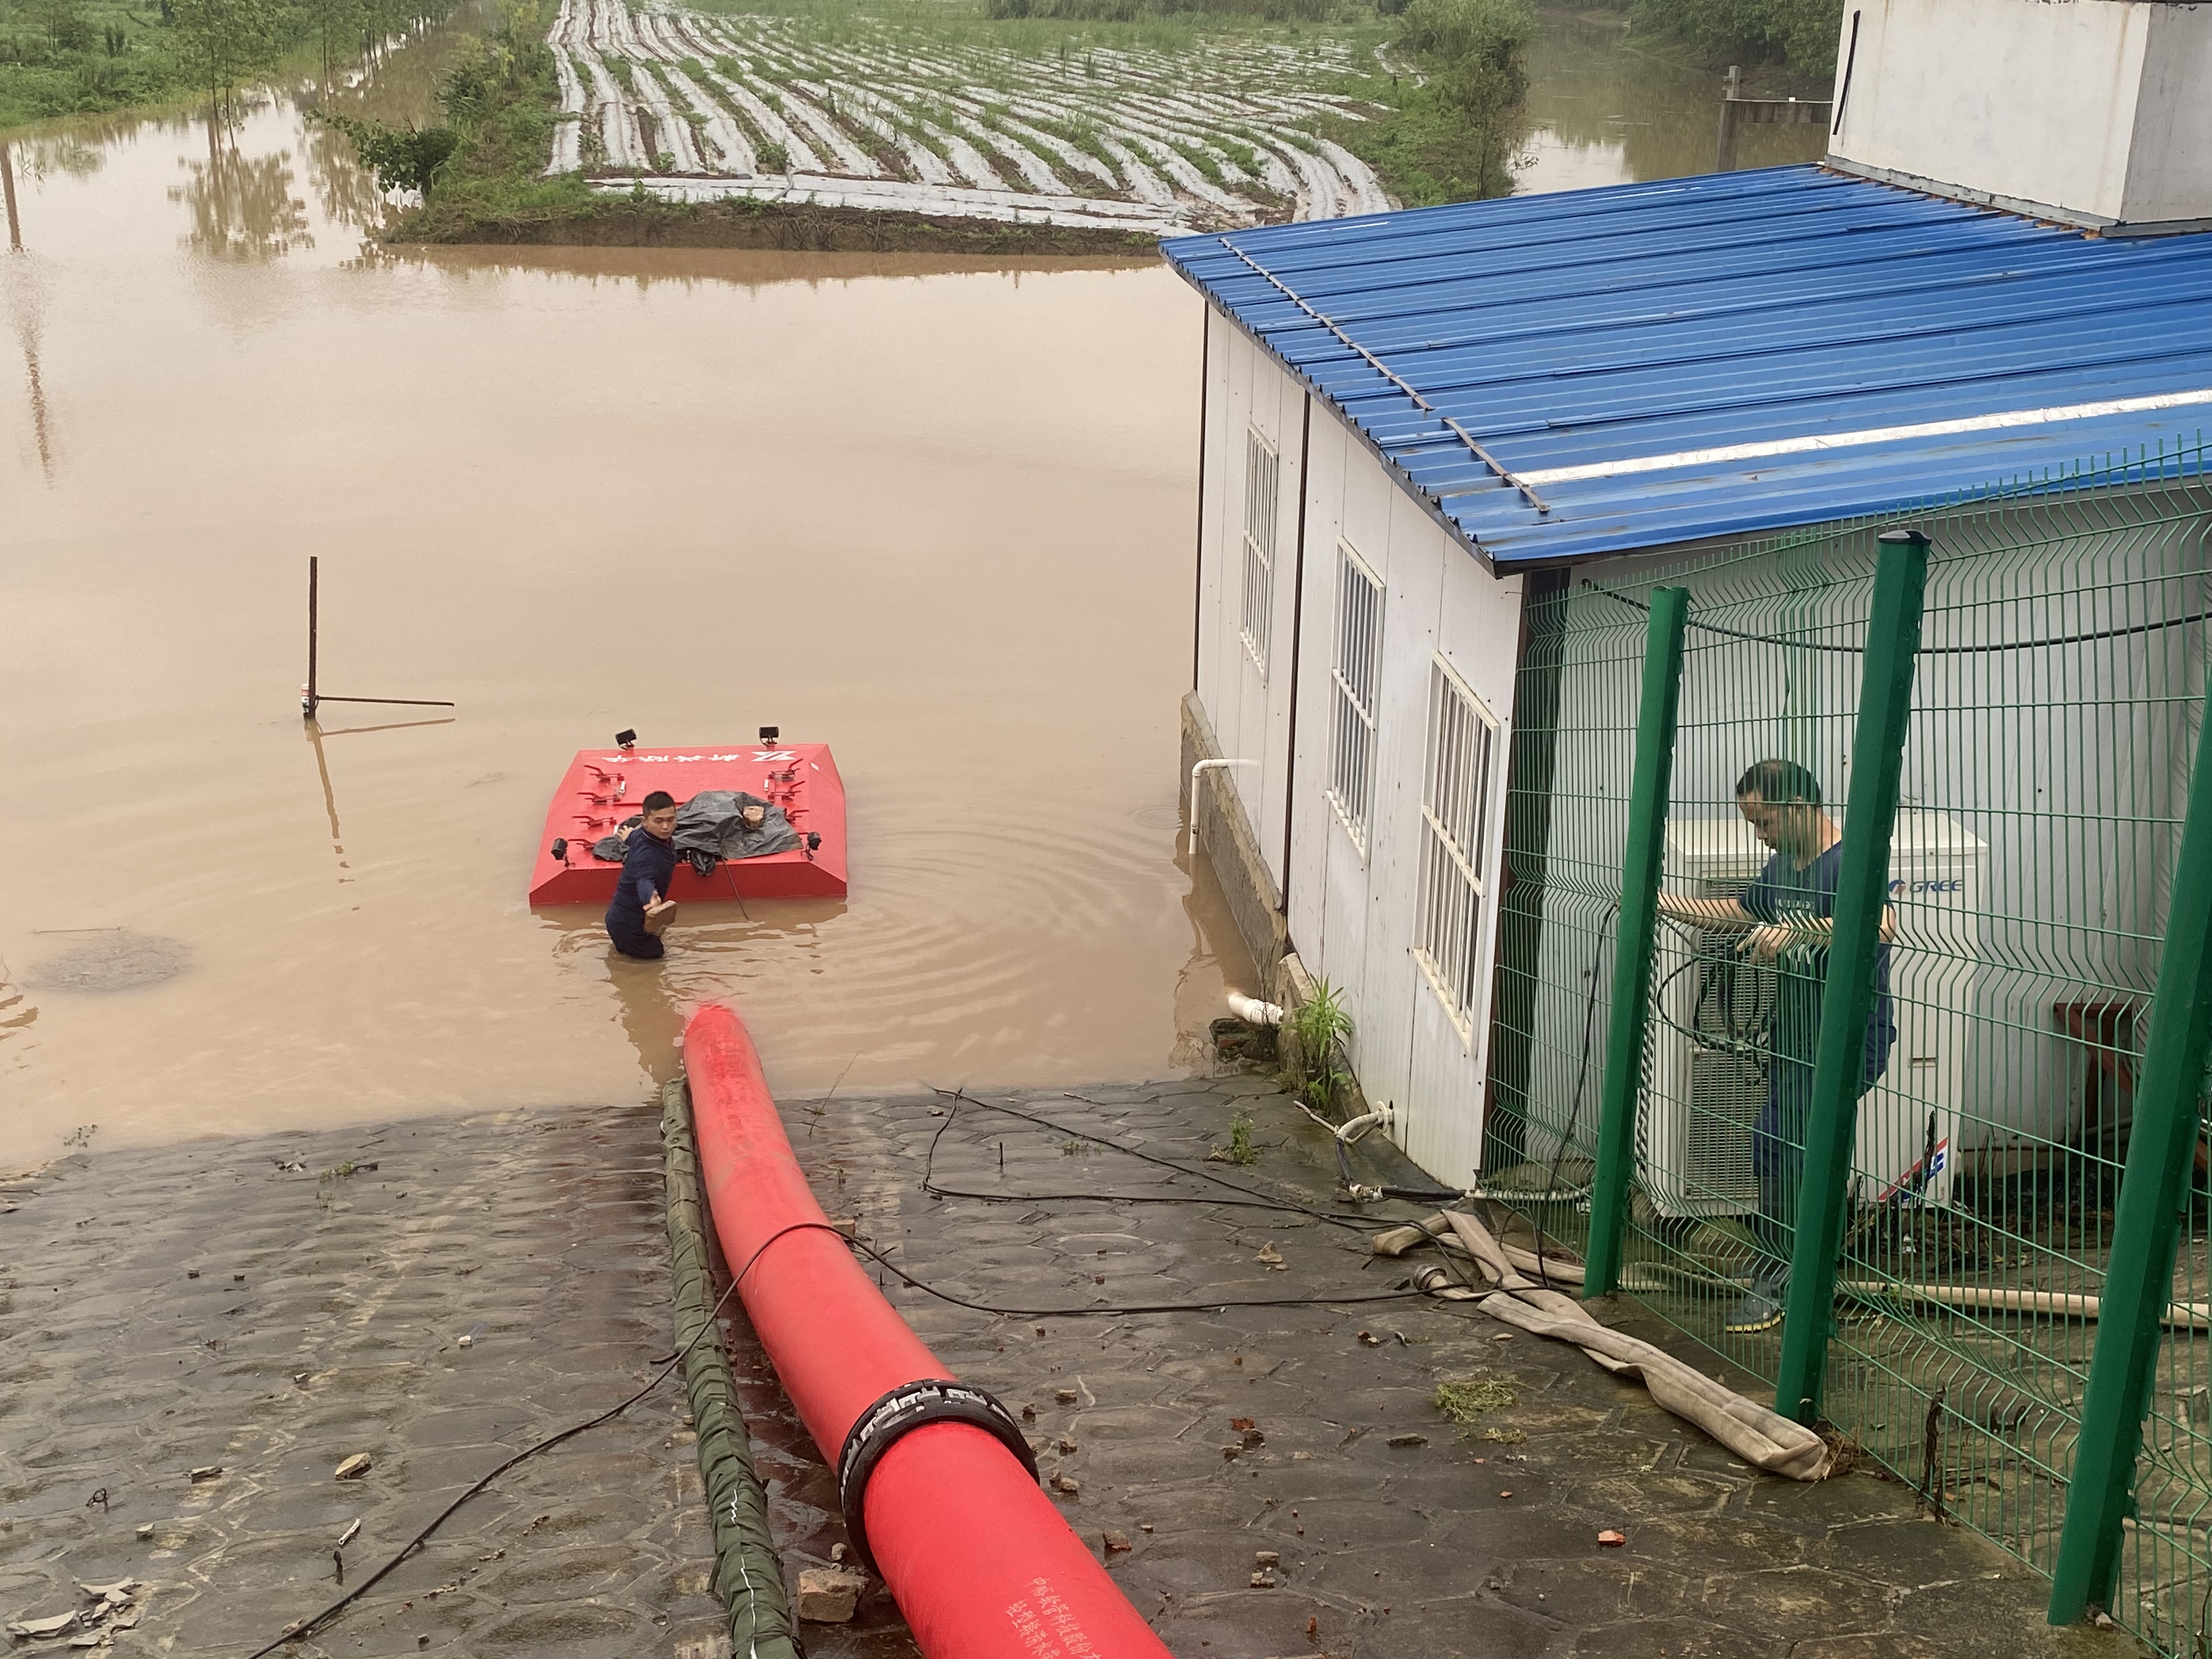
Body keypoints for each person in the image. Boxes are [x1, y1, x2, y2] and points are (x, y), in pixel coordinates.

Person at [1656, 759, 1895, 1335]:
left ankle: (1792, 1280)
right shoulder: (1787, 864)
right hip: (1795, 1037)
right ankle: (1786, 1266)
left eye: (1763, 822)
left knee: (1793, 1149)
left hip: (1845, 1038)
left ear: (1795, 807)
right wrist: (1660, 902)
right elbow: (1744, 910)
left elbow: (1880, 925)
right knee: (1775, 1145)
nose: (1758, 834)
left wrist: (1804, 932)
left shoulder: (1849, 862)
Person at [606, 791, 679, 961]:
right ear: (645, 822)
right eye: (658, 821)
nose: (666, 827)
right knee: (655, 965)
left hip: (619, 918)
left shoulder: (642, 836)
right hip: (630, 927)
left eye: (670, 819)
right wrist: (651, 898)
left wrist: (628, 837)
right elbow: (645, 879)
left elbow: (634, 837)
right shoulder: (647, 855)